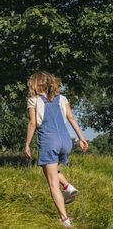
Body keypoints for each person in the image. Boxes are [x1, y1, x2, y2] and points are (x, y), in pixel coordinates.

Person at [24, 71, 88, 227]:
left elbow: (32, 123)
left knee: (52, 183)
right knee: (48, 170)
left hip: (49, 140)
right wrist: (81, 138)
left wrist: (27, 144)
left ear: (34, 84)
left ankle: (64, 219)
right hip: (65, 140)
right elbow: (71, 117)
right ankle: (67, 186)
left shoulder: (33, 100)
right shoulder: (63, 98)